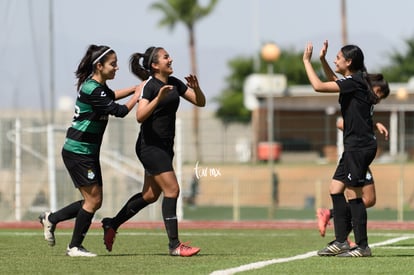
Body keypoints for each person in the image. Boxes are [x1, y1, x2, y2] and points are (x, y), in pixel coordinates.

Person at [101, 46, 206, 257]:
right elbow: (140, 115)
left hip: (165, 147)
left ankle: (111, 223)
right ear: (155, 65)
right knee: (173, 190)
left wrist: (197, 88)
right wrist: (158, 98)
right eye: (166, 57)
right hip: (150, 147)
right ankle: (174, 245)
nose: (171, 59)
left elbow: (200, 102)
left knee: (149, 195)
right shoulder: (150, 86)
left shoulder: (174, 83)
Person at [39, 45, 141, 257]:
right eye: (113, 64)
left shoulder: (98, 87)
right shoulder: (93, 89)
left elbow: (111, 96)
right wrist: (137, 96)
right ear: (99, 65)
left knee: (94, 200)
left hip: (86, 151)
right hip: (79, 151)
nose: (117, 67)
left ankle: (52, 219)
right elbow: (119, 111)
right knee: (93, 201)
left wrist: (134, 89)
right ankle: (74, 247)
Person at [303, 40, 386, 257]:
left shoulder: (355, 81)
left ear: (349, 62)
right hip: (354, 146)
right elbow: (334, 80)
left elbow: (319, 86)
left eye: (338, 57)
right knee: (335, 188)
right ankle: (341, 241)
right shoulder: (355, 81)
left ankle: (362, 246)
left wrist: (307, 62)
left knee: (353, 194)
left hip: (359, 147)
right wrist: (321, 60)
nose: (335, 59)